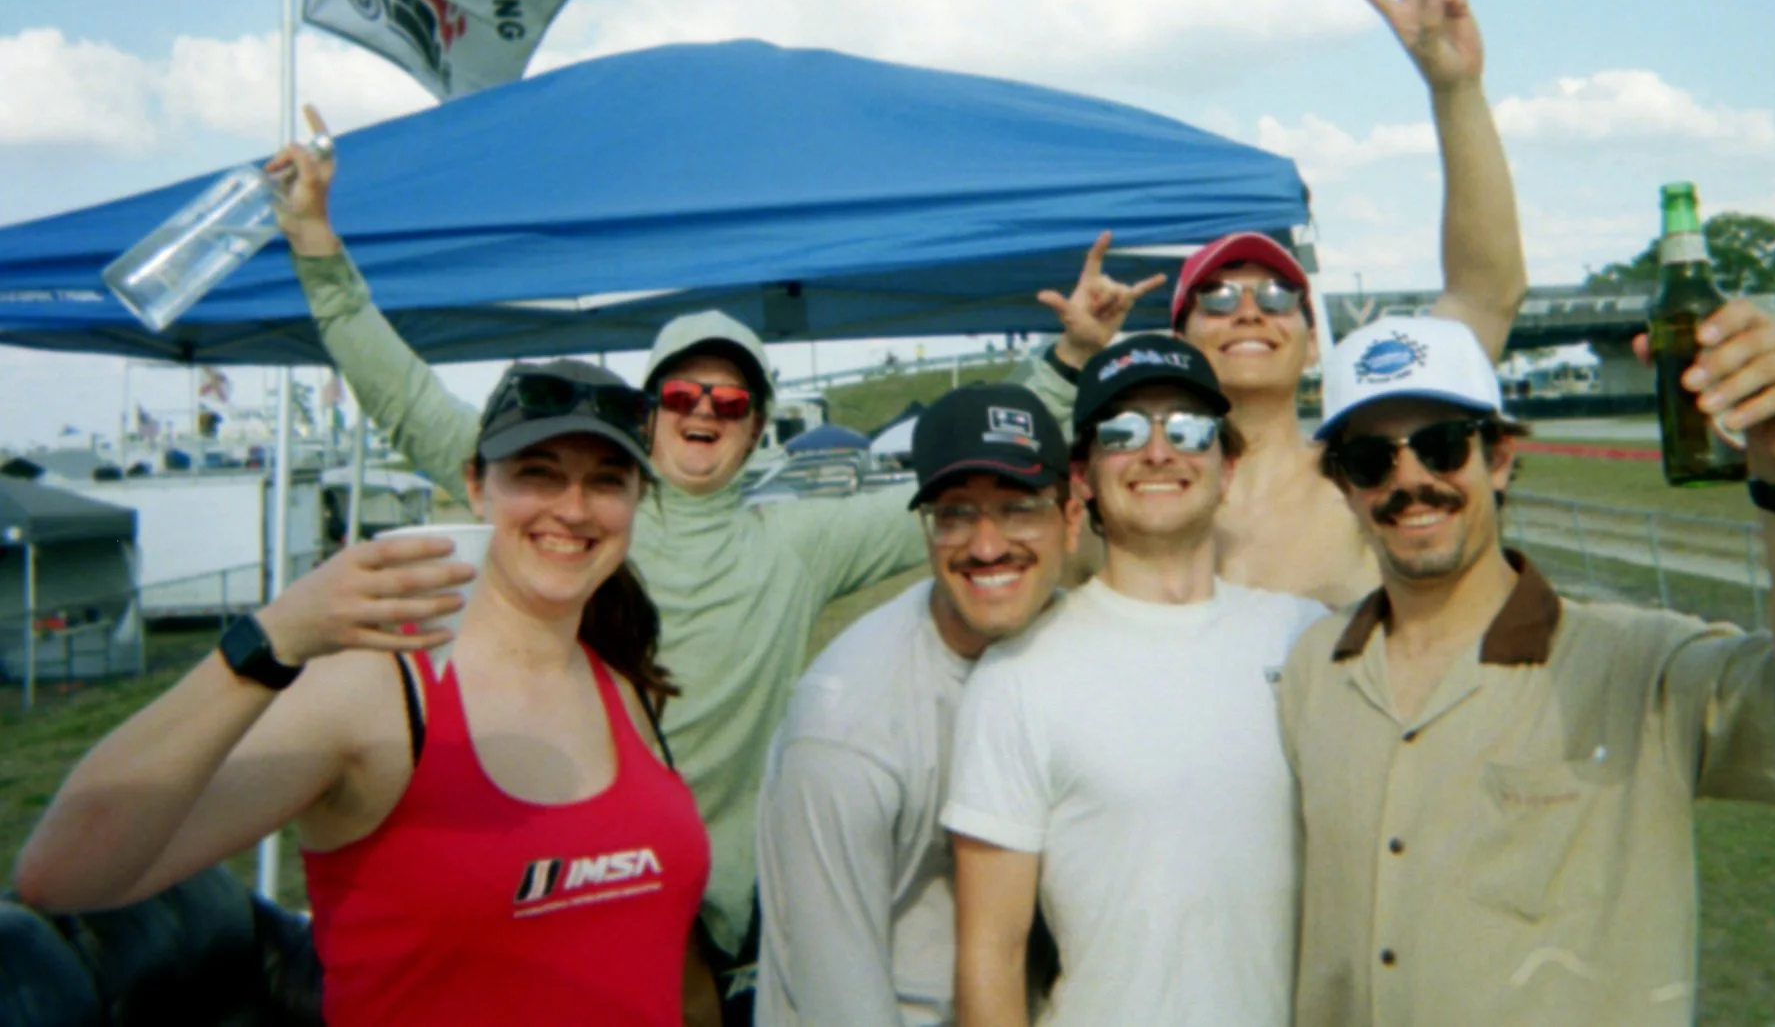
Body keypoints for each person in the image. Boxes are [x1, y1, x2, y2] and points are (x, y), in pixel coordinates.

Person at [268, 111, 937, 1021]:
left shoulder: (795, 543)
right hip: (566, 890)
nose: (706, 411)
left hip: (725, 922)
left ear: (755, 424)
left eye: (731, 399)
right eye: (683, 393)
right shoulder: (570, 511)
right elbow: (406, 397)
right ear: (648, 411)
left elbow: (947, 501)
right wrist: (318, 252)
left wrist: (1069, 371)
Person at [12, 359, 711, 1026]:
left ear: (636, 500)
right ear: (475, 485)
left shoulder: (620, 683)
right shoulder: (377, 691)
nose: (574, 508)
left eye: (607, 481)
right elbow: (65, 877)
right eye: (538, 473)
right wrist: (270, 640)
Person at [1280, 310, 1775, 1025]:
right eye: (1370, 460)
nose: (1411, 480)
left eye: (1444, 446)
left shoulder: (1639, 664)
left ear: (1499, 457)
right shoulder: (1311, 667)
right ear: (1344, 486)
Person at [1015, 0, 1529, 609]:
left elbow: (1485, 293)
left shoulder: (1367, 477)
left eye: (1279, 296)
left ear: (1314, 342)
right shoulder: (1131, 499)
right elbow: (1008, 487)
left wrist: (1455, 92)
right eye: (1218, 299)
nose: (1249, 310)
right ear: (1181, 343)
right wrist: (1077, 352)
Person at [947, 336, 1328, 1027]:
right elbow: (991, 956)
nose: (1159, 451)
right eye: (1124, 432)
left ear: (1228, 464)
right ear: (1084, 477)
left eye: (1187, 428)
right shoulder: (1018, 678)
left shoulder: (1306, 639)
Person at [754, 383, 1078, 1027]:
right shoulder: (848, 725)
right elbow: (838, 995)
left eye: (1018, 508)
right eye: (955, 514)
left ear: (1070, 519)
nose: (987, 546)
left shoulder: (1079, 646)